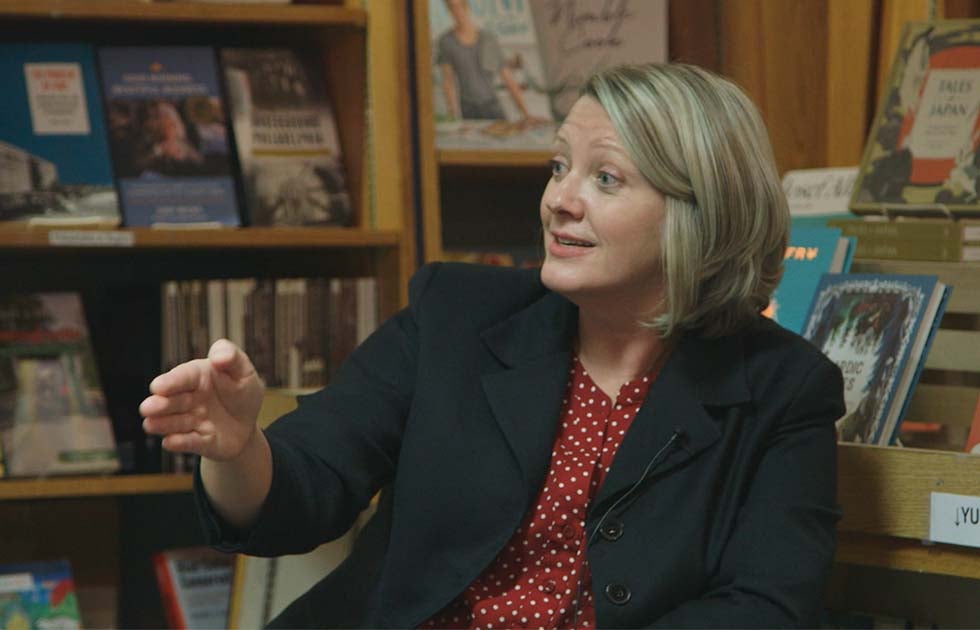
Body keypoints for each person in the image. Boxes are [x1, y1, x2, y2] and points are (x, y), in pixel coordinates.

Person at [140, 63, 845, 628]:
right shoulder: (455, 316)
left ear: (705, 214)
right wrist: (239, 452)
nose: (559, 200)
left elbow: (765, 605)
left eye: (605, 178)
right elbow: (308, 485)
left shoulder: (782, 388)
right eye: (557, 166)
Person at [436, 0, 544, 127]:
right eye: (452, 7)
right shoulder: (446, 42)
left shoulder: (488, 39)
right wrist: (453, 118)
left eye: (459, 6)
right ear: (448, 10)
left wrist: (526, 114)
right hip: (468, 110)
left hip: (492, 107)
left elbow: (508, 79)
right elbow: (448, 83)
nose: (456, 11)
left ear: (466, 7)